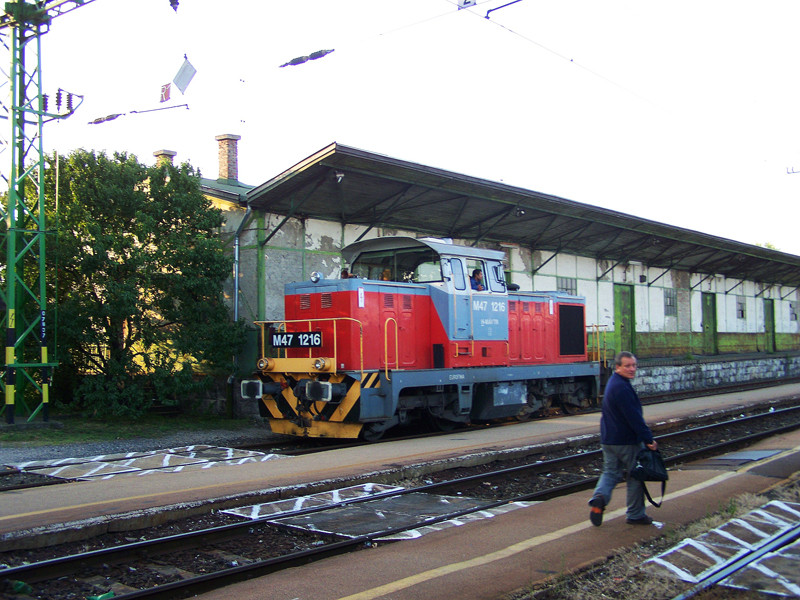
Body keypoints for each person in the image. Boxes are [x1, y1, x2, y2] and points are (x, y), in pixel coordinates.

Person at [588, 351, 658, 526]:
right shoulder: (622, 388)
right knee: (635, 475)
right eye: (627, 366)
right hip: (626, 441)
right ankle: (635, 514)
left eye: (634, 365)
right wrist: (648, 439)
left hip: (608, 440)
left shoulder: (613, 383)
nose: (632, 369)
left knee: (610, 472)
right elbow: (634, 418)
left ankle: (599, 498)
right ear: (617, 367)